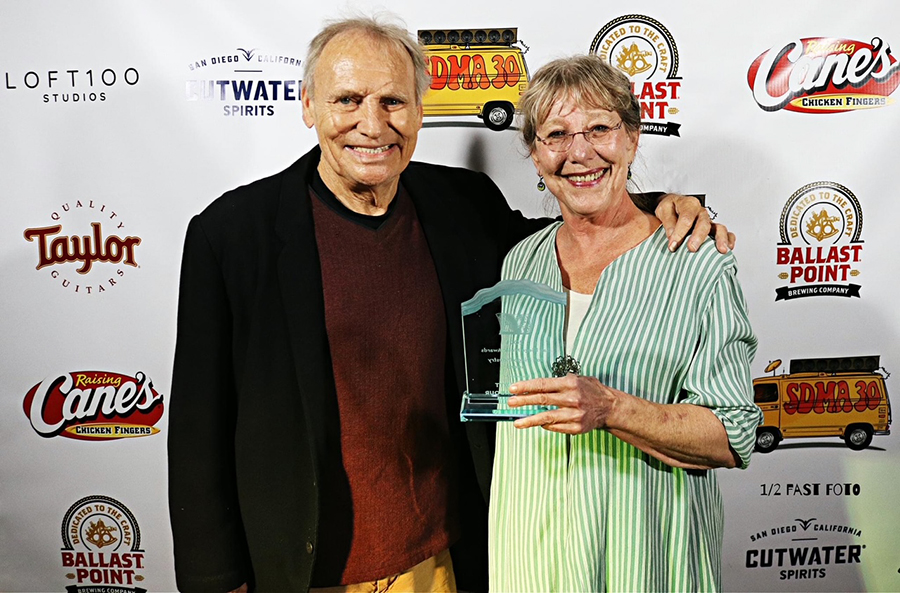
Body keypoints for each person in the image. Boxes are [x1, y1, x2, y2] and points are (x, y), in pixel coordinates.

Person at [167, 16, 729, 593]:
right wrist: (216, 580)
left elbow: (572, 232)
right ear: (309, 105)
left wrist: (661, 204)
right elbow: (198, 426)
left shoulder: (461, 202)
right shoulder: (232, 235)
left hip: (445, 561)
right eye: (348, 100)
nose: (372, 124)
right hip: (302, 570)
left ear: (419, 111)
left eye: (393, 101)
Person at [488, 54, 762, 592]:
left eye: (599, 129)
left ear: (632, 139)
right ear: (536, 155)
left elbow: (733, 435)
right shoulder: (520, 262)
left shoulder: (697, 262)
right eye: (556, 135)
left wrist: (613, 408)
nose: (579, 152)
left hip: (645, 557)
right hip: (528, 557)